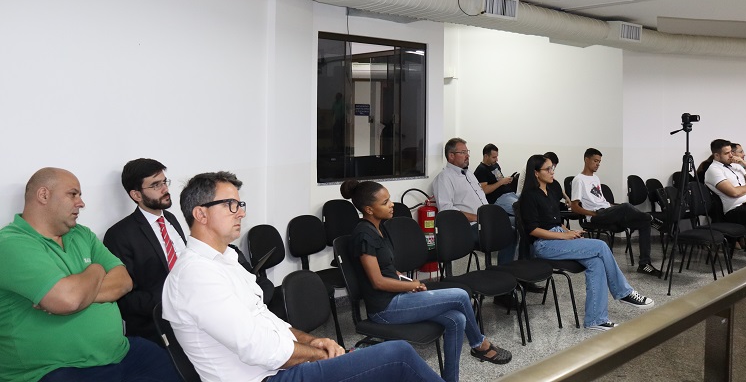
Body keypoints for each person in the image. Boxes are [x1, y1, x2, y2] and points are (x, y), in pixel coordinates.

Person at [162, 171, 443, 382]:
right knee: (397, 355)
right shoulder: (195, 274)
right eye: (231, 205)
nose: (241, 213)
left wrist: (313, 341)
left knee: (386, 361)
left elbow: (266, 319)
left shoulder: (227, 260)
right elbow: (258, 348)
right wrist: (319, 356)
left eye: (240, 204)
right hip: (265, 377)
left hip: (277, 368)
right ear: (201, 214)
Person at [0, 168, 180, 382]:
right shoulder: (11, 243)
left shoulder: (81, 234)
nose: (81, 203)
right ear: (43, 195)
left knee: (177, 370)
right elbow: (67, 299)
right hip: (54, 369)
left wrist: (77, 295)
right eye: (73, 194)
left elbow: (123, 281)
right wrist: (97, 270)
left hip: (120, 352)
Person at [342, 179, 512, 382]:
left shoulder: (380, 227)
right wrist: (411, 285)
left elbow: (388, 269)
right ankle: (479, 345)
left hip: (397, 297)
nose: (391, 204)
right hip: (384, 308)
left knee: (457, 319)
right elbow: (378, 282)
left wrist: (405, 281)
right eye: (385, 202)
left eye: (389, 199)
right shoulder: (363, 236)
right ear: (369, 209)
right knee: (460, 295)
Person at [518, 155, 654, 331]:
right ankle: (624, 292)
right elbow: (532, 230)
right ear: (536, 173)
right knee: (601, 245)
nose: (552, 172)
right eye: (548, 169)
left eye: (553, 168)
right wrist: (563, 237)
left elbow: (555, 222)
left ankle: (596, 319)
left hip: (558, 236)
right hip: (544, 244)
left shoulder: (551, 191)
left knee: (596, 262)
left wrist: (569, 232)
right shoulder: (529, 196)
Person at [104, 158, 186, 345]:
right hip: (155, 329)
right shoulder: (119, 234)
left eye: (164, 182)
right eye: (156, 185)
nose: (165, 189)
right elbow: (126, 300)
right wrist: (174, 300)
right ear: (136, 195)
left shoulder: (171, 219)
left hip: (190, 317)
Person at [570, 148, 662, 277]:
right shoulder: (579, 180)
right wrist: (593, 214)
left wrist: (614, 206)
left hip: (606, 211)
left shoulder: (595, 178)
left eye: (599, 162)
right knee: (626, 207)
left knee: (644, 223)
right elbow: (574, 207)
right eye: (595, 161)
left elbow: (602, 201)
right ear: (586, 159)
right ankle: (651, 218)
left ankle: (644, 264)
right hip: (595, 216)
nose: (598, 164)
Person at [432, 138, 487, 245]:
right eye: (463, 152)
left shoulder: (469, 174)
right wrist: (477, 218)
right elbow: (446, 209)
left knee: (515, 226)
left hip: (484, 220)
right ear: (451, 156)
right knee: (508, 232)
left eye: (467, 152)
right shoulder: (444, 178)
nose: (467, 155)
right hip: (469, 226)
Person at [704, 139, 746, 229]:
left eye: (731, 152)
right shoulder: (714, 170)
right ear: (717, 155)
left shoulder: (737, 166)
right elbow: (734, 193)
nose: (731, 155)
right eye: (727, 153)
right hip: (736, 210)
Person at [473, 143, 519, 262]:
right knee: (523, 210)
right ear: (486, 156)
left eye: (497, 156)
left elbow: (499, 180)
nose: (496, 159)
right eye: (494, 157)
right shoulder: (481, 170)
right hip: (498, 199)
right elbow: (484, 190)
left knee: (530, 202)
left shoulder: (495, 166)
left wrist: (507, 180)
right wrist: (501, 182)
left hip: (509, 194)